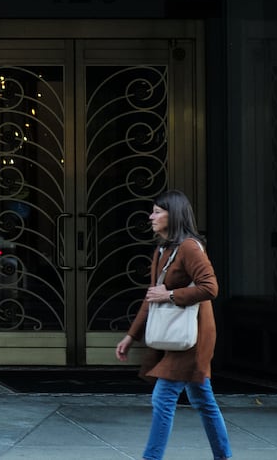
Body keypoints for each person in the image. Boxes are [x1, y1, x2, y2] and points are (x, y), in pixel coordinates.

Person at [115, 190, 232, 460]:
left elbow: (210, 288)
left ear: (174, 215)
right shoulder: (162, 249)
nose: (151, 216)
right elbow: (152, 295)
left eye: (157, 211)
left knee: (163, 398)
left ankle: (151, 458)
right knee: (203, 400)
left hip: (192, 336)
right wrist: (131, 336)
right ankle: (224, 456)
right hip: (176, 334)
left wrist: (170, 295)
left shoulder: (190, 247)